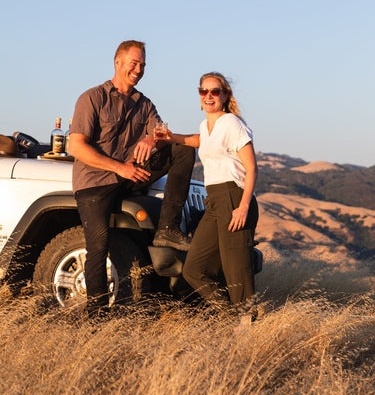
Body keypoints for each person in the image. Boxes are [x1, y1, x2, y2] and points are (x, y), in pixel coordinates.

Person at [69, 40, 195, 318]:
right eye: (134, 63)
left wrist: (152, 139)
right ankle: (96, 318)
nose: (138, 70)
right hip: (95, 183)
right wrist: (120, 168)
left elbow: (163, 133)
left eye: (142, 65)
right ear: (118, 63)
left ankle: (168, 229)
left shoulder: (144, 104)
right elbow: (75, 147)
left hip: (130, 175)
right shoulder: (92, 98)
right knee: (98, 247)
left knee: (183, 149)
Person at [164, 72, 259, 317]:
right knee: (194, 268)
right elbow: (200, 140)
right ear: (199, 96)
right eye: (203, 91)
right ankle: (232, 317)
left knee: (236, 270)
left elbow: (252, 168)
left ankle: (245, 322)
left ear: (225, 95)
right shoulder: (206, 127)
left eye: (214, 91)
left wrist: (243, 207)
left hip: (234, 197)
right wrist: (172, 137)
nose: (209, 96)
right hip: (215, 200)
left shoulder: (231, 123)